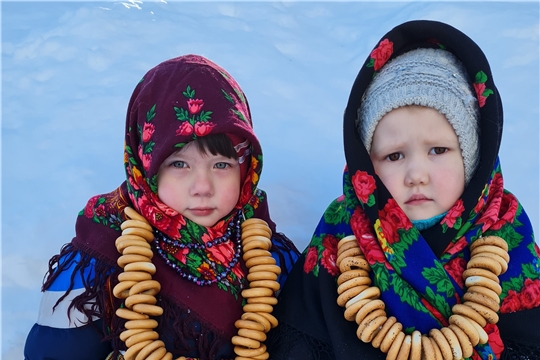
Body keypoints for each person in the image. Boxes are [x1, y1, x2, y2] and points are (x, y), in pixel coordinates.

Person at [267, 20, 540, 359]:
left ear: (472, 159)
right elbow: (300, 338)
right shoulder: (340, 236)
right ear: (367, 165)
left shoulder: (505, 232)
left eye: (438, 150)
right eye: (394, 155)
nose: (416, 174)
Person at [24, 54, 299, 359]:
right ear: (147, 166)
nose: (203, 188)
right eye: (179, 163)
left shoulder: (269, 256)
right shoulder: (99, 258)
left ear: (246, 167)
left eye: (221, 164)